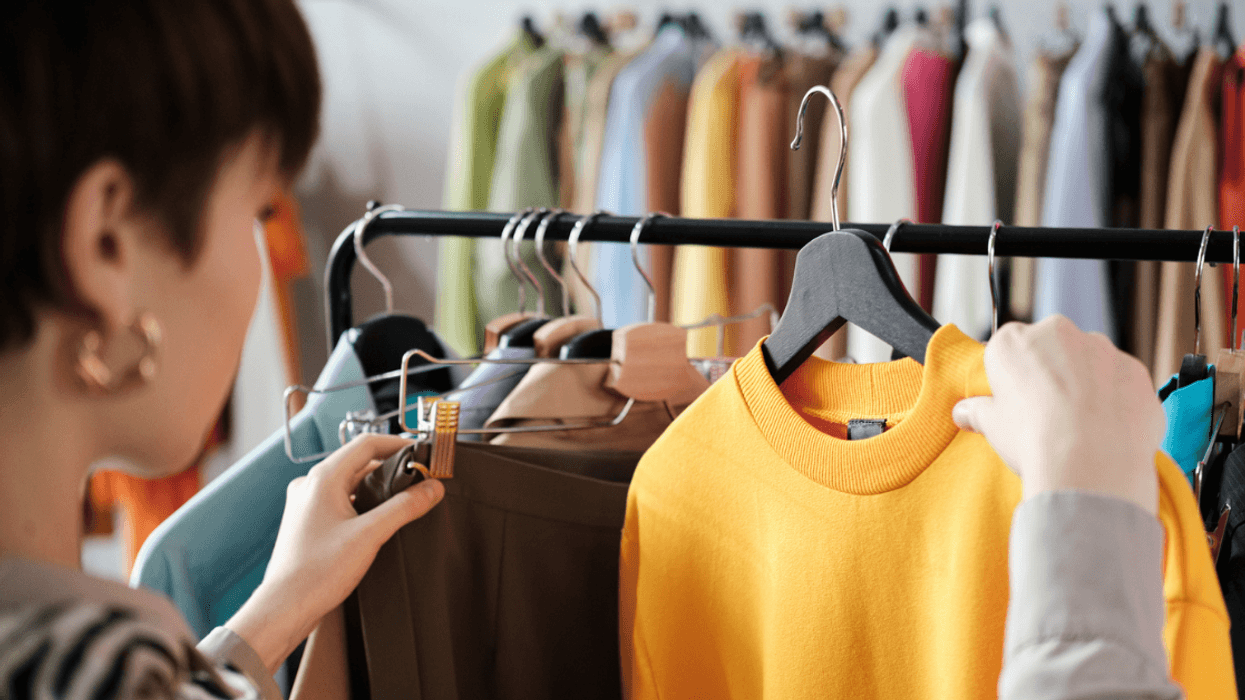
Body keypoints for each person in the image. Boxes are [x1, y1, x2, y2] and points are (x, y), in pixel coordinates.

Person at [0, 3, 1184, 700]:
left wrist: (261, 624)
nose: (270, 257)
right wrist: (1086, 511)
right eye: (255, 206)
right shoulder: (87, 652)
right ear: (111, 241)